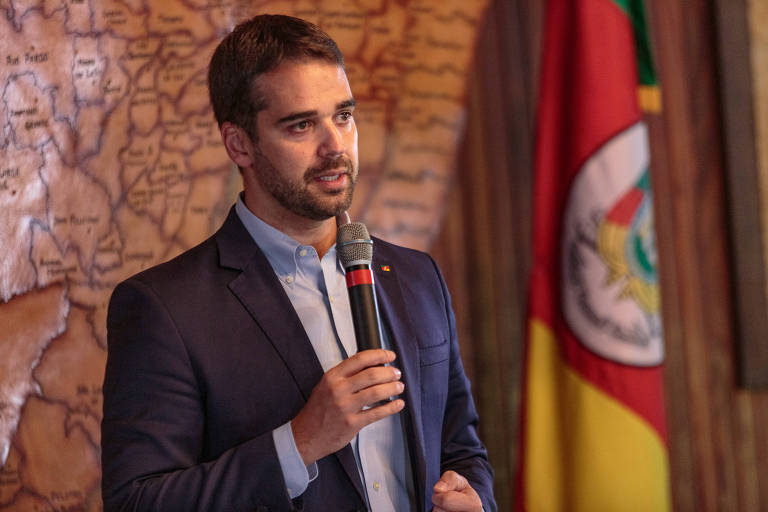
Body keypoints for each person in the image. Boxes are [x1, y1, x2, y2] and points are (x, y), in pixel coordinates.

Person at [101, 14, 495, 512]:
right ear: (238, 143)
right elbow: (136, 503)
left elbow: (462, 447)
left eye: (343, 116)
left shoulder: (418, 277)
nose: (335, 147)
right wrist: (300, 442)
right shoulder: (163, 308)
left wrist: (474, 498)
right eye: (302, 125)